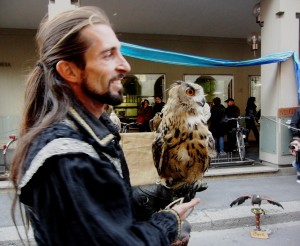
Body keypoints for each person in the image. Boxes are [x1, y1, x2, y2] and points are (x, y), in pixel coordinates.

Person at [10, 7, 199, 246]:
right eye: (108, 55)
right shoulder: (66, 157)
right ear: (70, 70)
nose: (125, 65)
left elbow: (102, 217)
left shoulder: (95, 133)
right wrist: (168, 223)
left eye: (120, 52)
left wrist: (146, 197)